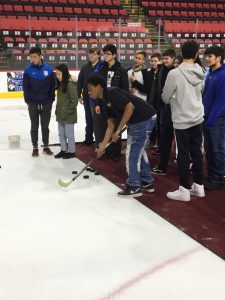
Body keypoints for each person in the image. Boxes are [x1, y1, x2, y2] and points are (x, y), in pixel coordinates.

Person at [87, 75, 157, 198]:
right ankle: (147, 182)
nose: (89, 92)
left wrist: (118, 130)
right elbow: (110, 126)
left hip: (143, 118)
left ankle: (134, 186)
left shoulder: (112, 92)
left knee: (132, 153)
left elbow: (130, 107)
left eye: (90, 89)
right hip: (137, 121)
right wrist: (102, 147)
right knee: (138, 151)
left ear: (99, 87)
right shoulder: (103, 102)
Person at [162, 40, 205, 201]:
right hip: (197, 116)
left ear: (181, 53)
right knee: (197, 152)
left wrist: (174, 96)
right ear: (196, 54)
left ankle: (184, 189)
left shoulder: (175, 73)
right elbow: (201, 91)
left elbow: (165, 97)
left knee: (184, 154)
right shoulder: (201, 70)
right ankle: (199, 186)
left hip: (181, 118)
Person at [97, 44, 129, 162]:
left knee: (116, 129)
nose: (105, 56)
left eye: (108, 54)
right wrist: (97, 103)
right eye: (104, 53)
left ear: (114, 55)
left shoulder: (121, 70)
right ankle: (107, 150)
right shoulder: (102, 70)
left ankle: (116, 151)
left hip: (117, 104)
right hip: (104, 103)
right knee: (106, 127)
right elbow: (98, 88)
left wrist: (122, 104)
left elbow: (125, 89)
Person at [23, 47, 55, 157]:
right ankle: (35, 147)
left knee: (45, 127)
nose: (33, 59)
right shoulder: (27, 70)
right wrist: (28, 101)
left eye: (35, 57)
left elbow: (52, 85)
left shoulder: (49, 69)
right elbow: (25, 87)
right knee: (34, 126)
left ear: (40, 56)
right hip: (33, 103)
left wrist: (51, 99)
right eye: (31, 57)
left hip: (46, 103)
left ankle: (46, 146)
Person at [202, 46, 225, 190]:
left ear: (219, 58)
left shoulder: (223, 75)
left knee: (218, 149)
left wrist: (211, 119)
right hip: (207, 117)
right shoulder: (210, 73)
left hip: (217, 119)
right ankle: (211, 175)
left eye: (210, 56)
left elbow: (221, 101)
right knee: (209, 149)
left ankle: (218, 178)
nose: (207, 58)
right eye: (206, 56)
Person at [152, 49, 176, 174]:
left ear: (173, 59)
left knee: (169, 137)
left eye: (167, 58)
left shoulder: (175, 72)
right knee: (164, 137)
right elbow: (156, 89)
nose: (165, 61)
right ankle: (163, 164)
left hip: (173, 109)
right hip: (162, 107)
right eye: (164, 58)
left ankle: (165, 165)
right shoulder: (161, 70)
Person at [77, 47, 103, 146]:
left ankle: (99, 140)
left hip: (99, 98)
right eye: (90, 53)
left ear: (99, 55)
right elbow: (79, 82)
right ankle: (88, 138)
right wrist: (79, 95)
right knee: (89, 119)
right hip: (87, 98)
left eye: (94, 54)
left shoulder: (102, 67)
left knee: (98, 120)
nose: (91, 55)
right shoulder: (85, 67)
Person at [54, 64, 78, 159]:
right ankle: (63, 150)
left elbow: (74, 100)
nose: (57, 76)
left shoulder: (70, 84)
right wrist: (58, 111)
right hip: (60, 114)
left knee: (69, 134)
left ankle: (71, 151)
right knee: (61, 134)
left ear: (64, 73)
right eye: (56, 74)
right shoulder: (61, 84)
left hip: (68, 115)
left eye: (59, 74)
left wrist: (67, 110)